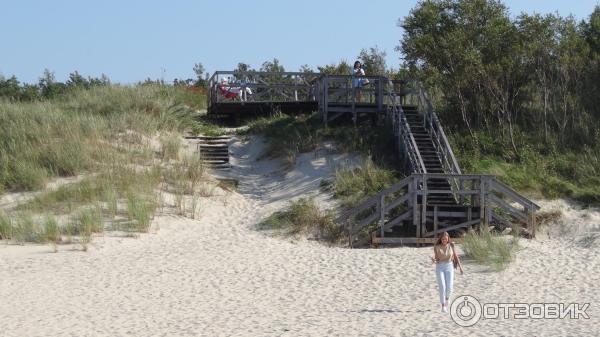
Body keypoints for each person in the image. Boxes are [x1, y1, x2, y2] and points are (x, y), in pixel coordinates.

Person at [431, 231, 463, 313]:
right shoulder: (437, 247)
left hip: (449, 266)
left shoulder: (451, 245)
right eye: (442, 239)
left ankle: (447, 299)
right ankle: (443, 306)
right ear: (440, 239)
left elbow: (455, 256)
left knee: (449, 287)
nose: (444, 240)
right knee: (442, 287)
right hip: (440, 267)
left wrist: (460, 267)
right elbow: (436, 258)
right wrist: (434, 260)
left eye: (445, 239)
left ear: (448, 239)